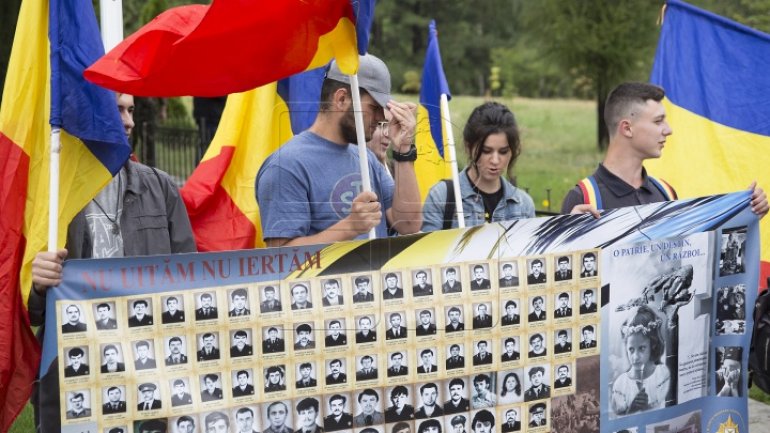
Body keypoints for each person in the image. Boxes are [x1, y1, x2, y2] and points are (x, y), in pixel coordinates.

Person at [28, 92, 195, 428]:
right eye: (117, 110)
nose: (130, 120)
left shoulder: (160, 188)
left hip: (148, 365)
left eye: (131, 110)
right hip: (73, 366)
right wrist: (36, 283)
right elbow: (27, 311)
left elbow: (188, 281)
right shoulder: (48, 194)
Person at [256, 53, 421, 247]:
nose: (381, 118)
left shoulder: (366, 158)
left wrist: (403, 149)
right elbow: (280, 257)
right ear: (341, 99)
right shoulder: (286, 165)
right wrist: (349, 227)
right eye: (375, 107)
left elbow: (408, 224)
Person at [560, 82, 768, 217]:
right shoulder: (584, 199)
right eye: (658, 121)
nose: (668, 130)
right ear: (627, 128)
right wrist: (570, 231)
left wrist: (746, 212)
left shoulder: (666, 193)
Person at [422, 102, 535, 230]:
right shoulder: (440, 197)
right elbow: (429, 248)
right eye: (486, 151)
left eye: (503, 152)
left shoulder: (523, 204)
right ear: (468, 147)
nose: (495, 160)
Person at [611, 305, 670, 415]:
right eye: (631, 350)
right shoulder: (621, 383)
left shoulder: (662, 375)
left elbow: (667, 411)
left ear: (652, 345)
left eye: (642, 348)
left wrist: (647, 407)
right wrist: (632, 409)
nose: (636, 356)